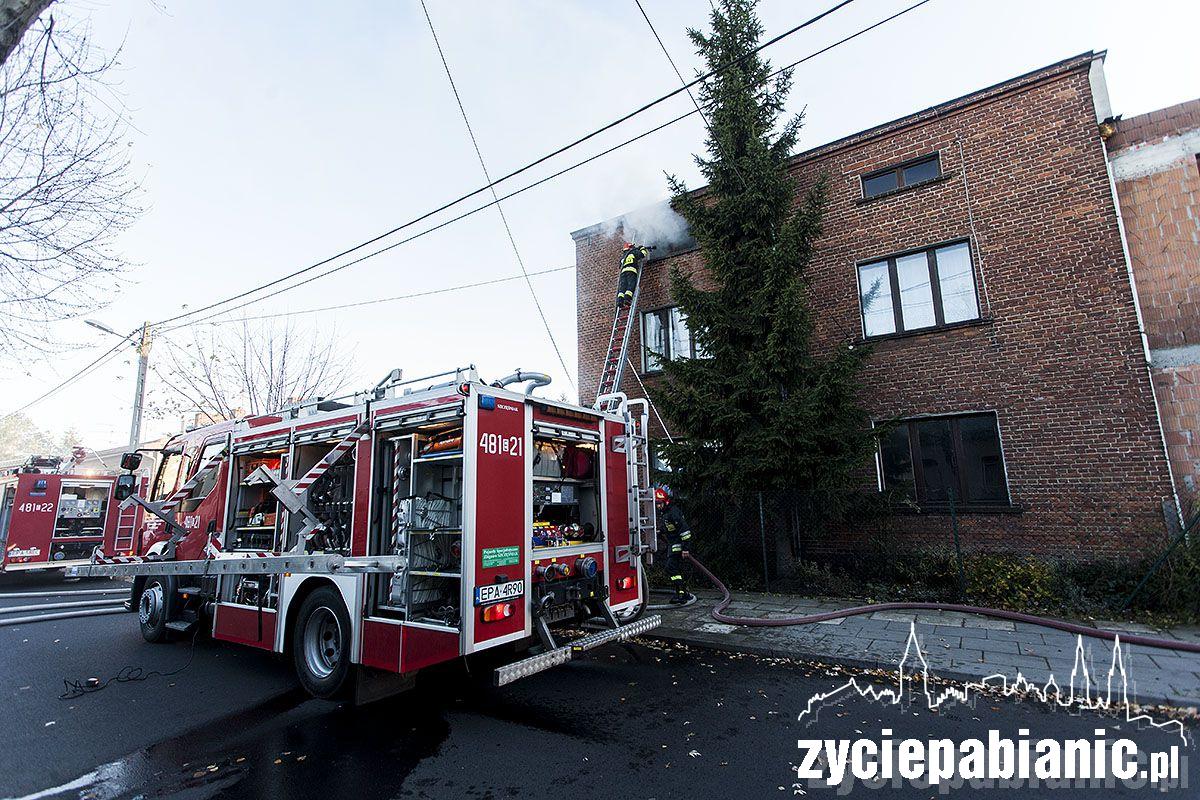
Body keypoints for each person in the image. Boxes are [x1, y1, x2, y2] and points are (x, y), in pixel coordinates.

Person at [655, 486, 692, 604]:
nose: (658, 506)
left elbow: (685, 531)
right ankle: (682, 593)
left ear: (665, 502)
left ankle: (682, 593)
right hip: (673, 545)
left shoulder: (673, 513)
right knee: (674, 569)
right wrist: (661, 531)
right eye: (657, 504)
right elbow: (671, 528)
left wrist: (685, 548)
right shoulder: (666, 513)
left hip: (678, 546)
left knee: (670, 568)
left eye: (659, 504)